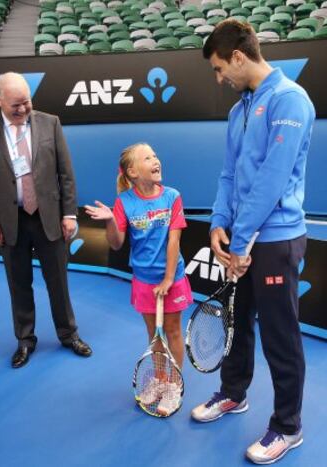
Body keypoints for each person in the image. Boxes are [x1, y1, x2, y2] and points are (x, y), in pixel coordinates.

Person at [190, 19, 315, 465]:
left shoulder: (290, 100)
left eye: (221, 68)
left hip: (276, 240)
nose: (220, 78)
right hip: (240, 238)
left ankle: (288, 426)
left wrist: (240, 243)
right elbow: (230, 173)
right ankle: (233, 393)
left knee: (281, 336)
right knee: (236, 322)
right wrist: (219, 225)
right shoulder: (238, 110)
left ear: (239, 57)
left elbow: (272, 180)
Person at [0, 72, 92, 368]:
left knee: (58, 283)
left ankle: (68, 334)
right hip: (8, 222)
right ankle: (25, 340)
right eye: (15, 105)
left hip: (48, 217)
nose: (22, 109)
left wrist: (68, 213)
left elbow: (66, 173)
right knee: (19, 284)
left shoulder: (50, 123)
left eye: (26, 102)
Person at [85, 142, 193, 416]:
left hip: (172, 278)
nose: (156, 160)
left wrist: (168, 278)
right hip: (144, 281)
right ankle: (159, 380)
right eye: (147, 158)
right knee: (153, 333)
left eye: (155, 155)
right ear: (132, 172)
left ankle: (173, 385)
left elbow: (174, 240)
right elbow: (117, 243)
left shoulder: (172, 196)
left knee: (173, 330)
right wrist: (111, 220)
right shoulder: (124, 202)